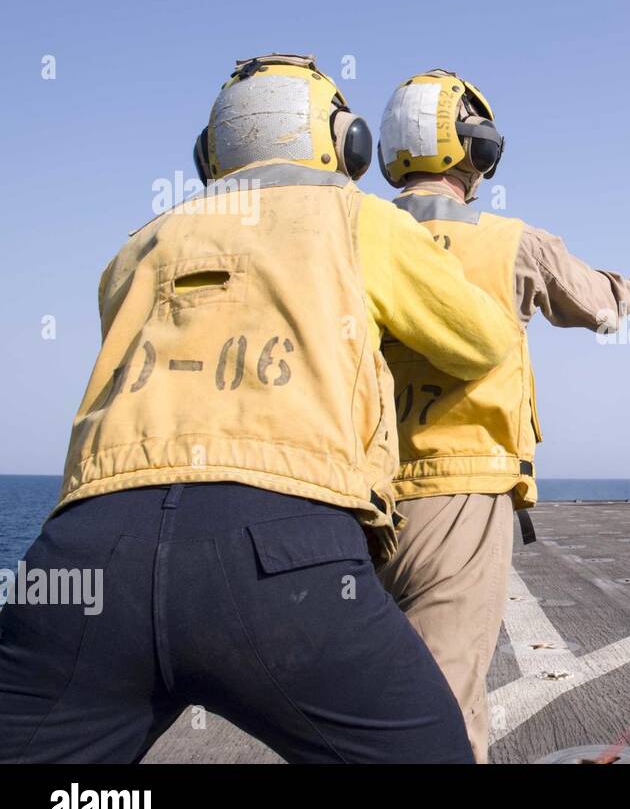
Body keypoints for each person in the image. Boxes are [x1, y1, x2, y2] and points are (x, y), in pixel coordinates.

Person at [0, 54, 518, 763]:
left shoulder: (136, 248)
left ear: (210, 153)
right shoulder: (359, 219)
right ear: (347, 143)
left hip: (83, 555)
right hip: (281, 551)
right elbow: (480, 342)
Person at [373, 69, 630, 761]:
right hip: (458, 490)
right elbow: (601, 306)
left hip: (354, 490)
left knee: (370, 691)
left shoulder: (351, 233)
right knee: (444, 698)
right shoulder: (513, 243)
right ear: (471, 148)